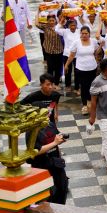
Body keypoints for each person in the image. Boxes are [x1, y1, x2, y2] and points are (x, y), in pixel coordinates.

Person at [25, 75, 68, 205]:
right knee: (46, 196)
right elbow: (34, 152)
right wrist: (54, 143)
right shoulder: (32, 131)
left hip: (56, 163)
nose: (47, 115)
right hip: (42, 166)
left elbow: (56, 143)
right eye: (44, 114)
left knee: (62, 189)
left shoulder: (50, 124)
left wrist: (58, 143)